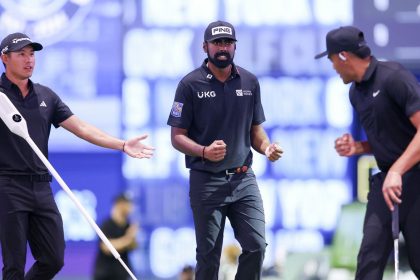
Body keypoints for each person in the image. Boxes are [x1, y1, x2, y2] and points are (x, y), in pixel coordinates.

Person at [0, 32, 154, 280]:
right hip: (7, 186)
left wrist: (122, 144)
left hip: (41, 186)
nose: (29, 60)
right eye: (21, 54)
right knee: (14, 266)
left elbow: (81, 128)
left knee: (53, 259)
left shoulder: (45, 96)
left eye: (32, 54)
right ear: (4, 58)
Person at [167, 20, 283, 280]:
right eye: (217, 42)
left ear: (234, 47)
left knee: (256, 246)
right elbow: (177, 137)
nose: (222, 48)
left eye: (227, 43)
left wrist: (267, 147)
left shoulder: (250, 81)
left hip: (243, 178)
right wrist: (204, 151)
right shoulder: (190, 85)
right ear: (205, 46)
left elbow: (255, 131)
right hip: (206, 180)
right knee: (208, 256)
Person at [315, 26, 420, 279]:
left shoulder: (394, 77)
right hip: (387, 184)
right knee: (368, 261)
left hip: (416, 179)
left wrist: (397, 170)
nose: (333, 68)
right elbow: (391, 139)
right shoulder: (356, 93)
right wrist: (358, 147)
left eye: (331, 60)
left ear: (343, 56)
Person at [93, 193, 138, 280]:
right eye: (128, 203)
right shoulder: (107, 225)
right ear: (120, 205)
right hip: (105, 275)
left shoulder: (128, 225)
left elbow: (133, 246)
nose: (131, 207)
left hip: (122, 274)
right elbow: (106, 248)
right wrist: (128, 239)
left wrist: (132, 237)